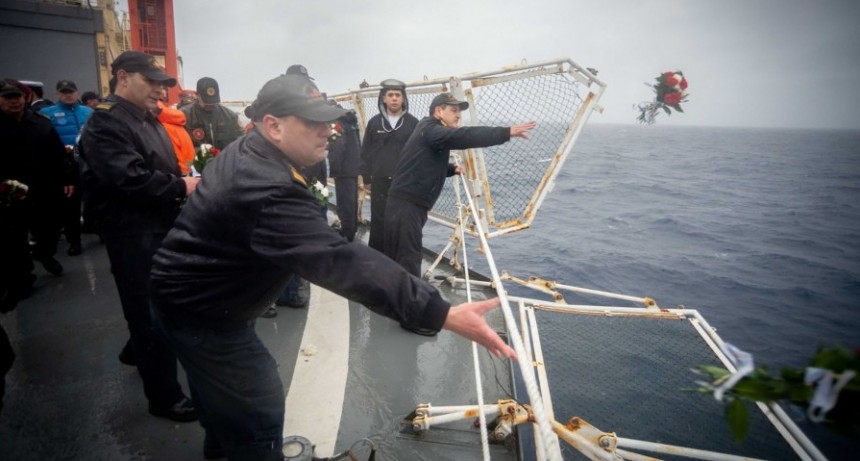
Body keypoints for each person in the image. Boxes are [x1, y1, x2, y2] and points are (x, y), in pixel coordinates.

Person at [149, 74, 516, 460]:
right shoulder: (266, 186)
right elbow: (342, 260)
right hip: (201, 314)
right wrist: (443, 312)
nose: (330, 130)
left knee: (217, 398)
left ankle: (220, 450)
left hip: (188, 299)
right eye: (314, 122)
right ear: (272, 125)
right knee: (258, 406)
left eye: (329, 120)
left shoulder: (252, 150)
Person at [77, 51, 201, 422]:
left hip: (158, 225)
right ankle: (164, 398)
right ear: (123, 77)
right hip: (133, 232)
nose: (160, 93)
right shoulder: (107, 123)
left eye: (163, 86)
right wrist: (183, 185)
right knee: (148, 313)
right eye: (152, 83)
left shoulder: (146, 118)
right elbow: (129, 178)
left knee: (156, 304)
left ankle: (137, 351)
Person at [383, 93, 535, 315]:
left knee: (400, 254)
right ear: (438, 112)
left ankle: (393, 299)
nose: (458, 116)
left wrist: (451, 170)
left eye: (459, 112)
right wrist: (505, 132)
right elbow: (464, 136)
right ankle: (410, 314)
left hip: (406, 202)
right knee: (408, 257)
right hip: (407, 204)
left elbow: (422, 162)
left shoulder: (429, 131)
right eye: (454, 111)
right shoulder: (432, 129)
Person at [0, 79, 66, 310]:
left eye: (17, 96)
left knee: (50, 229)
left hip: (43, 189)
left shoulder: (40, 123)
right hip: (9, 194)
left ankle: (43, 253)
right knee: (14, 241)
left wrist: (66, 179)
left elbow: (58, 154)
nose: (14, 101)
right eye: (8, 97)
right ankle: (24, 279)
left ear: (25, 98)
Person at [359, 79, 418, 251]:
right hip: (380, 182)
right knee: (379, 221)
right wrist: (366, 177)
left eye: (398, 95)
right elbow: (365, 152)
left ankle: (400, 259)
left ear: (403, 99)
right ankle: (378, 258)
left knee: (402, 222)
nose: (394, 99)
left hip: (404, 182)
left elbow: (419, 154)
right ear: (383, 98)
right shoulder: (375, 123)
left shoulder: (413, 123)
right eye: (390, 95)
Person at [40, 79, 94, 256]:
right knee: (70, 205)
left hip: (89, 162)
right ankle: (74, 241)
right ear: (57, 94)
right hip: (65, 165)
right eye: (64, 92)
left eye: (71, 92)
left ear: (78, 93)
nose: (68, 95)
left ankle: (100, 230)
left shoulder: (89, 112)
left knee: (95, 198)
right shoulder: (46, 114)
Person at [328, 107, 361, 242]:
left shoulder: (336, 123)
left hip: (343, 170)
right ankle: (352, 229)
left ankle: (347, 234)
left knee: (344, 202)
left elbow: (337, 147)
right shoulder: (351, 121)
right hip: (354, 167)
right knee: (351, 200)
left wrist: (334, 171)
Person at [182, 77, 242, 150]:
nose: (210, 105)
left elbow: (240, 141)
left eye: (213, 102)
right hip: (197, 160)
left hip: (225, 159)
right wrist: (201, 151)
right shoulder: (184, 116)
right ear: (197, 95)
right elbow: (180, 145)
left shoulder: (230, 116)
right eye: (206, 102)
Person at [155, 89, 195, 175]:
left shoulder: (164, 127)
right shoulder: (175, 125)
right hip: (187, 171)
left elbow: (175, 156)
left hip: (182, 174)